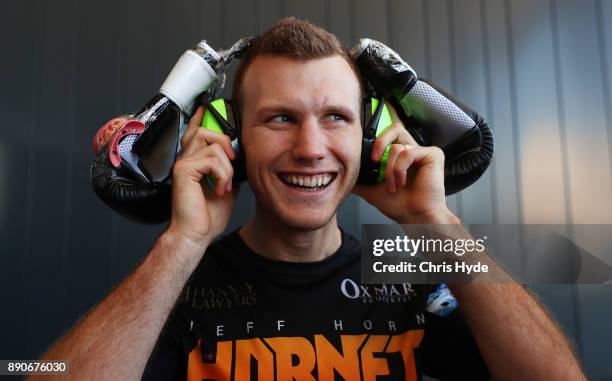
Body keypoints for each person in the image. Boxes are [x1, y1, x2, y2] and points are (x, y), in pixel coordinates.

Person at [35, 18, 586, 381]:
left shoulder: (417, 276)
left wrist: (435, 224)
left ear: (368, 140)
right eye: (280, 118)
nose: (310, 148)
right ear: (233, 141)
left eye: (335, 118)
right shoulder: (178, 286)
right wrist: (183, 242)